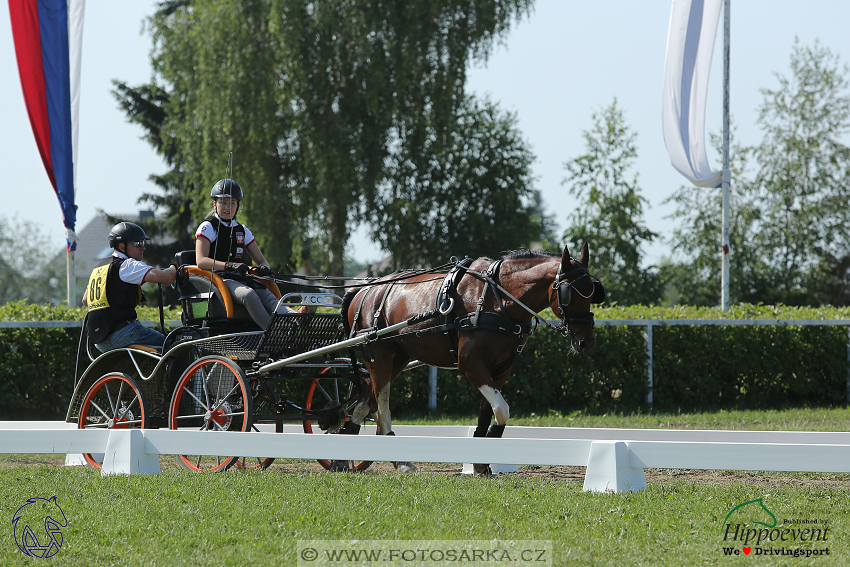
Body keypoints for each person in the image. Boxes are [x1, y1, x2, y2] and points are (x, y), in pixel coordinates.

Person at [195, 179, 289, 330]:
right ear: (215, 204)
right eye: (223, 202)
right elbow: (201, 261)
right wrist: (229, 265)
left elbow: (262, 261)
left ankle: (296, 318)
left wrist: (264, 268)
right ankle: (272, 332)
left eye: (232, 203)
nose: (227, 207)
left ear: (238, 206)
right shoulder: (208, 227)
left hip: (240, 278)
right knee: (248, 294)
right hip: (219, 279)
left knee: (267, 294)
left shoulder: (242, 230)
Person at [83, 222, 177, 352]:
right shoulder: (127, 265)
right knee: (176, 348)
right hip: (123, 333)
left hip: (98, 340)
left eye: (143, 243)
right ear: (122, 246)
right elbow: (167, 278)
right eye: (137, 244)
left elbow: (85, 299)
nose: (143, 248)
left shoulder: (99, 267)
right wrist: (175, 267)